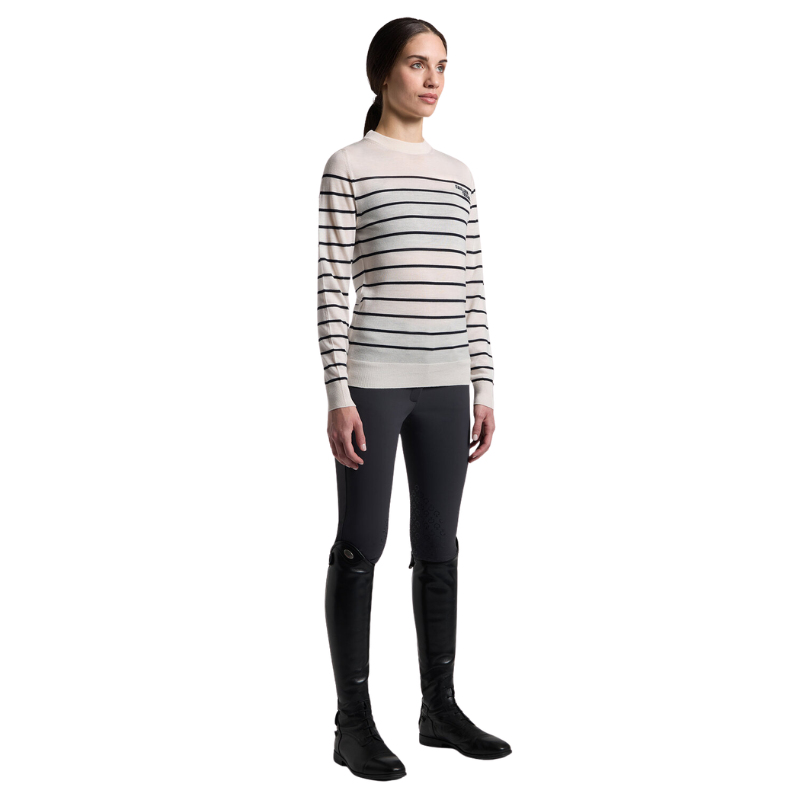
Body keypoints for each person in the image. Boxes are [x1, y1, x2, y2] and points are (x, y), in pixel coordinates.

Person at [318, 18, 511, 781]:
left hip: (447, 385)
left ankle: (439, 708)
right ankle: (353, 723)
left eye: (441, 66)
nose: (432, 80)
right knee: (361, 542)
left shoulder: (458, 175)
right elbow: (331, 284)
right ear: (382, 74)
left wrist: (484, 383)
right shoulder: (349, 165)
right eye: (416, 64)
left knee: (439, 545)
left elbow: (472, 287)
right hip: (372, 381)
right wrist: (337, 392)